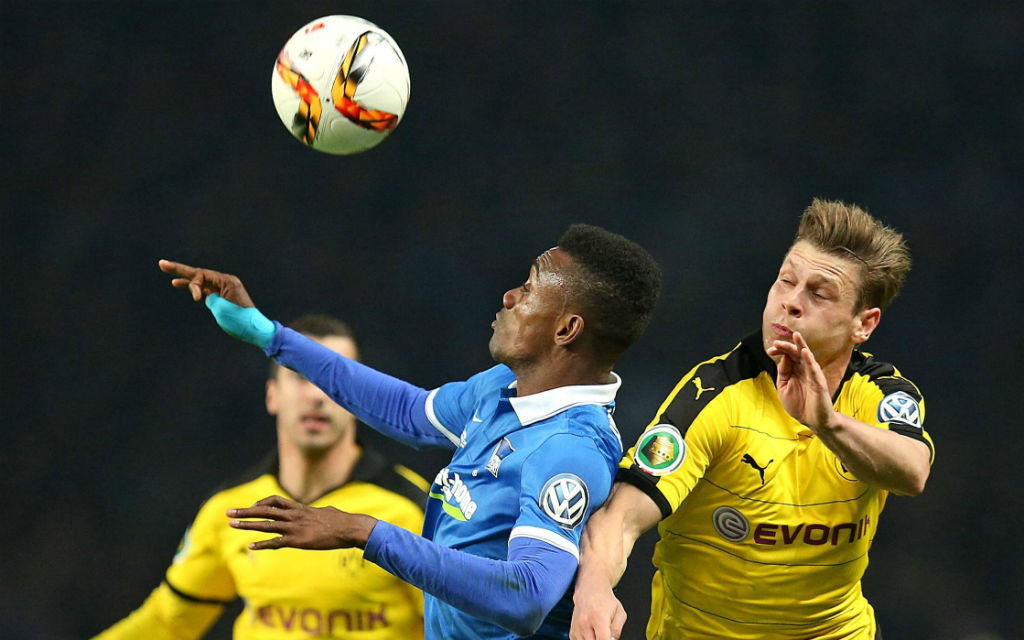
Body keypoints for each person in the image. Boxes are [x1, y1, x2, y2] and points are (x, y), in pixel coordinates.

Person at [157, 224, 662, 640]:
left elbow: (527, 595)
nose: (509, 296)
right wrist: (269, 335)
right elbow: (406, 410)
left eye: (528, 289)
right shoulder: (505, 389)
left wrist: (362, 531)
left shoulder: (567, 450)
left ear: (567, 329)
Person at [570, 199, 935, 640]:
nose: (791, 304)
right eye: (785, 282)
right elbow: (621, 517)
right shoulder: (715, 396)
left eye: (818, 294)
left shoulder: (879, 395)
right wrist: (592, 588)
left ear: (865, 324)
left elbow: (913, 472)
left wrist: (828, 424)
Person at [94, 315, 429, 640]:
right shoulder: (230, 510)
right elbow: (168, 623)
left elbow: (462, 628)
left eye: (333, 378)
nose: (316, 394)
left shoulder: (412, 510)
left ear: (359, 397)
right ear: (272, 395)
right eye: (300, 375)